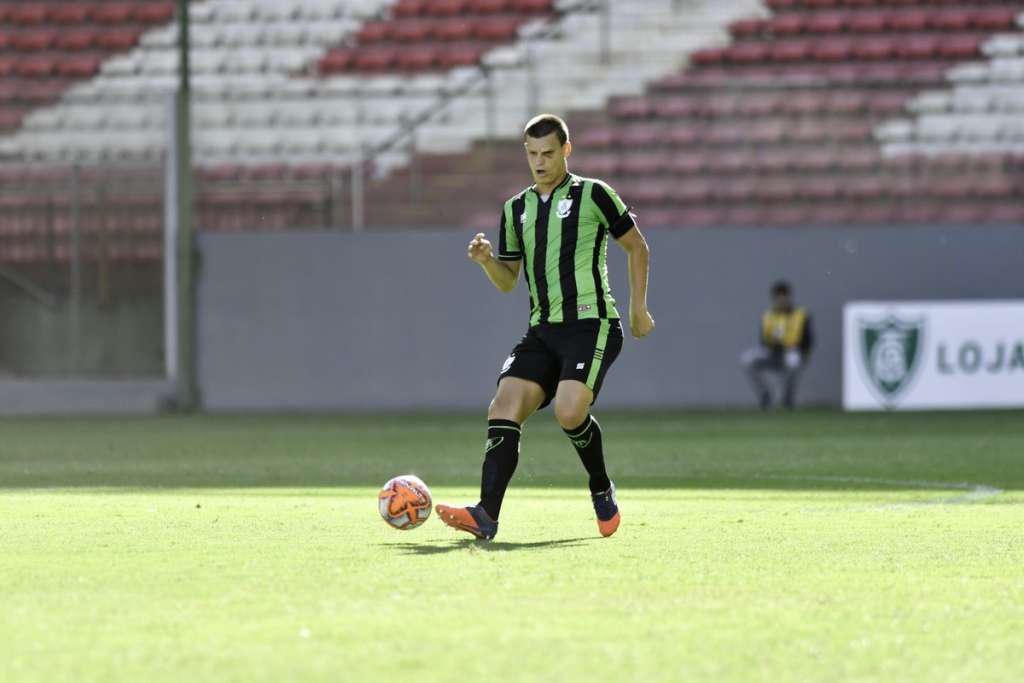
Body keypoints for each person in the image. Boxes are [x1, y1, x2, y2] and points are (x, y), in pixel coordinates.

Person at [435, 113, 655, 541]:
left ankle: (600, 487)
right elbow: (508, 281)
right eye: (532, 154)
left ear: (566, 150)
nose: (539, 161)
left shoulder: (595, 195)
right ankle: (486, 515)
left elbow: (637, 246)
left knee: (569, 412)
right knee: (502, 408)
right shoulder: (515, 209)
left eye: (548, 153)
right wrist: (486, 263)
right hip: (542, 332)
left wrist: (638, 309)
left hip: (593, 325)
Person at [740, 280, 813, 409]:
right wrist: (772, 344)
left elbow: (807, 340)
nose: (781, 301)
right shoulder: (768, 316)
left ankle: (787, 399)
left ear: (789, 297)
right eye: (777, 298)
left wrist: (805, 354)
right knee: (747, 359)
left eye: (784, 297)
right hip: (772, 352)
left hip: (791, 352)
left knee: (793, 361)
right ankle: (765, 395)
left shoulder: (800, 315)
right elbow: (763, 340)